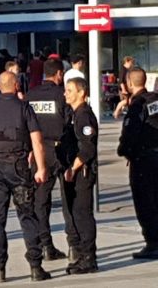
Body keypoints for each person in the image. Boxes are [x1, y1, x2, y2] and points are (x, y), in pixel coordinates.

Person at [0, 71, 51, 282]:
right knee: (27, 216)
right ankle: (36, 267)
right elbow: (37, 141)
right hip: (19, 167)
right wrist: (41, 168)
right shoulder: (24, 108)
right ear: (16, 85)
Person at [25, 59, 72, 262]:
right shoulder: (61, 95)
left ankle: (45, 245)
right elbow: (69, 122)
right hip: (61, 150)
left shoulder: (30, 95)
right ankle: (74, 245)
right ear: (59, 74)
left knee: (40, 202)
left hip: (38, 152)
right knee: (70, 199)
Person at [116, 68, 158, 259]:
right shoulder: (156, 99)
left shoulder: (137, 105)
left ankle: (153, 243)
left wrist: (124, 150)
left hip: (143, 161)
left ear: (130, 84)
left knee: (144, 203)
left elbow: (130, 134)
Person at [62, 77, 99, 274]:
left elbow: (87, 149)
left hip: (82, 172)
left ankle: (88, 258)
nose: (65, 93)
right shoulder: (73, 114)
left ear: (81, 93)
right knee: (76, 213)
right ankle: (82, 254)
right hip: (73, 170)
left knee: (83, 215)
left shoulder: (84, 115)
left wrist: (73, 168)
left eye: (69, 90)